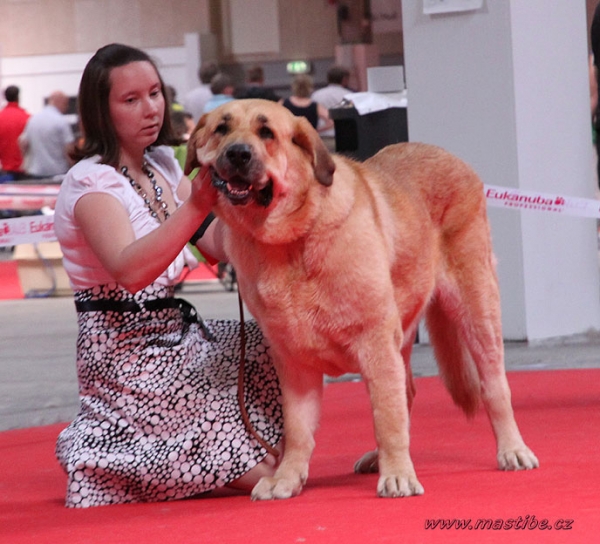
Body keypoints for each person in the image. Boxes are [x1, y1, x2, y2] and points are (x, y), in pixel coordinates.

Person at [53, 43, 283, 508]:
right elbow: (130, 269)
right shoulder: (90, 183)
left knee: (278, 342)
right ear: (102, 110)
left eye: (155, 93)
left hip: (178, 333)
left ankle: (207, 453)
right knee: (262, 473)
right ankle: (125, 455)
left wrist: (253, 205)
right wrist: (200, 201)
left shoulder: (163, 164)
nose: (150, 108)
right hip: (123, 352)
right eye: (131, 99)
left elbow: (216, 244)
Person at [21, 90, 75, 178]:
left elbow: (24, 143)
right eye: (66, 103)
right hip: (58, 172)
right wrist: (73, 167)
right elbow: (69, 149)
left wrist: (26, 161)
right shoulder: (61, 121)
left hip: (35, 172)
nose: (67, 107)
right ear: (59, 101)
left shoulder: (33, 119)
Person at [311, 65, 351, 151]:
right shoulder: (349, 95)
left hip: (322, 137)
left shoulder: (316, 95)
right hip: (343, 138)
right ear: (344, 79)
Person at [0, 85, 30, 180]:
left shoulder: (1, 117)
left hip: (5, 171)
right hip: (24, 170)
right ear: (18, 97)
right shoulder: (27, 118)